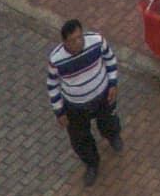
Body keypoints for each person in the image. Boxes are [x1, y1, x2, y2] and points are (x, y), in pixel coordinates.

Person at [48, 13, 127, 184]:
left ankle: (113, 136)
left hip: (103, 96)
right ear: (64, 42)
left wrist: (113, 83)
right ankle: (92, 163)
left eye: (80, 37)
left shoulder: (97, 41)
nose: (79, 42)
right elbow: (52, 85)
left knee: (108, 121)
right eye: (73, 40)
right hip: (75, 106)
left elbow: (110, 60)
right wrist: (59, 111)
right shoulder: (56, 60)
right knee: (80, 137)